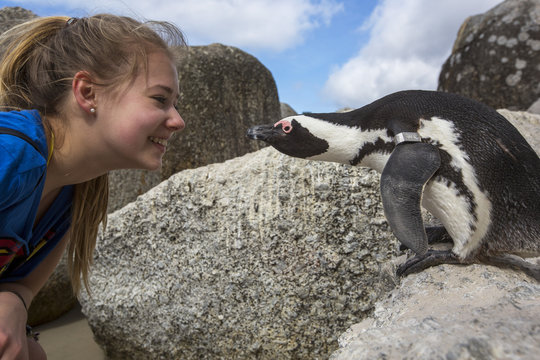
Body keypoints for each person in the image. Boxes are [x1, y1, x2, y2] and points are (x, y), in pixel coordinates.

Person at [0, 14, 186, 359]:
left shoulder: (76, 192)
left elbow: (23, 284)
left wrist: (13, 302)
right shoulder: (11, 153)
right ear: (87, 92)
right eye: (160, 99)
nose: (178, 121)